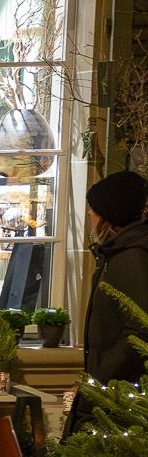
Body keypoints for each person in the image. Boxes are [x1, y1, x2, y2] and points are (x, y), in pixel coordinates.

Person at [65, 169, 148, 437]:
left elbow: (140, 329)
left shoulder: (131, 259)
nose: (89, 215)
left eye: (93, 210)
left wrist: (100, 378)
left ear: (106, 216)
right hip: (109, 392)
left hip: (116, 399)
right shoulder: (117, 255)